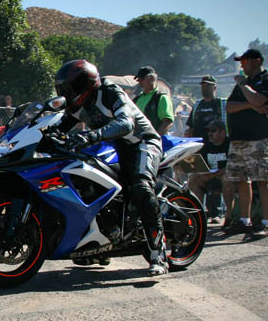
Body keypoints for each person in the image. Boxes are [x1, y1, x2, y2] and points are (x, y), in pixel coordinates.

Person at [55, 59, 168, 276]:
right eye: (62, 89)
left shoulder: (108, 91)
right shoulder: (76, 107)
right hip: (115, 146)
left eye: (69, 88)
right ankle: (101, 246)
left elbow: (126, 123)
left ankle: (158, 254)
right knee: (88, 184)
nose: (66, 93)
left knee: (140, 188)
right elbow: (59, 126)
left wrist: (92, 135)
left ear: (84, 85)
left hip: (142, 142)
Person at [224, 49, 268, 240]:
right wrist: (251, 105)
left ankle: (266, 223)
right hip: (238, 138)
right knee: (241, 180)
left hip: (259, 138)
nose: (242, 65)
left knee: (262, 180)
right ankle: (244, 220)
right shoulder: (242, 85)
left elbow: (259, 99)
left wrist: (244, 86)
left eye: (245, 61)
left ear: (256, 61)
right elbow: (229, 106)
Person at [187, 119, 231, 222]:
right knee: (194, 178)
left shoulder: (229, 145)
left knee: (227, 178)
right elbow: (198, 164)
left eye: (213, 131)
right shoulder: (207, 146)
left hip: (227, 177)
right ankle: (196, 215)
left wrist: (214, 174)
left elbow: (231, 166)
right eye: (208, 131)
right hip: (210, 176)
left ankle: (229, 215)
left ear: (222, 132)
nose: (210, 134)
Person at [132, 66, 174, 135]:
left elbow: (167, 122)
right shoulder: (137, 99)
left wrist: (155, 138)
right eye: (138, 79)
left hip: (154, 142)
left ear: (152, 78)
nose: (139, 82)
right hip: (138, 139)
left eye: (142, 79)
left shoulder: (161, 97)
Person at [186, 75, 227, 141]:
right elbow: (191, 126)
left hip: (217, 143)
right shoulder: (197, 104)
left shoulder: (222, 103)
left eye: (208, 85)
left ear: (214, 88)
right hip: (199, 143)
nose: (205, 88)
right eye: (203, 86)